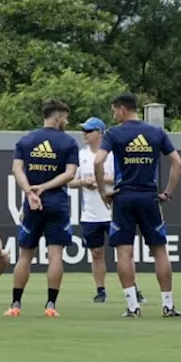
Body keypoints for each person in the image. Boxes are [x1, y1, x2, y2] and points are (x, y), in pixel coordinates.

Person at [94, 92, 181, 318]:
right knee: (160, 251)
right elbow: (177, 162)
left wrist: (103, 191)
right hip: (149, 197)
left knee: (124, 252)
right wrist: (168, 192)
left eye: (115, 110)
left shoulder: (114, 134)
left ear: (123, 109)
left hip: (123, 197)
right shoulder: (155, 132)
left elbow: (98, 161)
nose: (114, 114)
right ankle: (168, 305)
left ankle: (133, 306)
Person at [6, 99, 80, 318]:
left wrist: (30, 191)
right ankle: (51, 305)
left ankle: (15, 305)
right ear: (57, 117)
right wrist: (44, 188)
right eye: (65, 117)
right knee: (55, 256)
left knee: (24, 256)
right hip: (57, 203)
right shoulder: (68, 142)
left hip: (32, 204)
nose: (66, 122)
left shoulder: (26, 140)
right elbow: (70, 174)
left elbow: (17, 169)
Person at [68, 117, 115, 304]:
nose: (85, 134)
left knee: (124, 252)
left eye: (89, 131)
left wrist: (100, 180)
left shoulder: (112, 155)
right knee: (96, 253)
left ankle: (133, 288)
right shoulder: (81, 155)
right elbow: (71, 181)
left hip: (112, 211)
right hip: (90, 214)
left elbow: (118, 177)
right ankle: (100, 289)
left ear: (100, 133)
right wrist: (84, 182)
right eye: (84, 131)